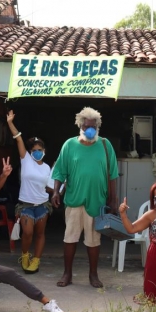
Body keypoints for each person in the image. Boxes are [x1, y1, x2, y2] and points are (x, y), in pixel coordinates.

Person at [51, 107, 118, 288]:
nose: (90, 130)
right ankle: (67, 274)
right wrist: (56, 191)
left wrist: (113, 199)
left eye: (94, 127)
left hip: (97, 201)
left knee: (93, 241)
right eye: (87, 126)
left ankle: (93, 275)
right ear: (80, 126)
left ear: (98, 128)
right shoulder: (69, 145)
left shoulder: (105, 144)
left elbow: (113, 174)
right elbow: (59, 172)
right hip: (74, 199)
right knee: (70, 238)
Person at [6, 110, 53, 274]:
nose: (37, 152)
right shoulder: (25, 160)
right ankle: (25, 255)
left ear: (44, 151)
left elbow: (51, 187)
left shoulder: (48, 168)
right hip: (25, 205)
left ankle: (36, 260)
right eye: (34, 149)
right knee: (28, 233)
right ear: (30, 151)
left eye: (40, 149)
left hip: (42, 205)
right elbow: (18, 138)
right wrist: (10, 122)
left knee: (40, 234)